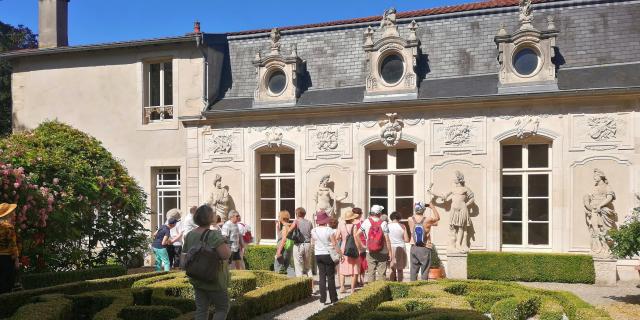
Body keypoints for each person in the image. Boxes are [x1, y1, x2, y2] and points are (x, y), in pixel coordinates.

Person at [182, 205, 231, 320]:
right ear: (209, 217)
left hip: (197, 277)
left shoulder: (189, 234)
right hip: (214, 278)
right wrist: (226, 244)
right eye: (213, 213)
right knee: (222, 308)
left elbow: (183, 257)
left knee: (201, 309)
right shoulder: (214, 235)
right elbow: (226, 255)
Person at [355, 205, 391, 283]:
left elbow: (357, 234)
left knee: (371, 272)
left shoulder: (366, 222)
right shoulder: (384, 223)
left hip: (370, 251)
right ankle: (382, 291)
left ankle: (372, 291)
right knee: (382, 274)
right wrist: (390, 252)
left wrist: (362, 245)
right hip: (383, 251)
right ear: (380, 213)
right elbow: (387, 240)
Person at [408, 201, 440, 281]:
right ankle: (423, 287)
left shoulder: (410, 219)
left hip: (414, 247)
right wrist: (432, 207)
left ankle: (413, 287)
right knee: (425, 269)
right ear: (424, 210)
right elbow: (438, 218)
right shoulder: (428, 220)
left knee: (413, 270)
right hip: (425, 247)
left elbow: (415, 216)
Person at [312, 210, 339, 304]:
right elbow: (334, 243)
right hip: (328, 254)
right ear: (325, 220)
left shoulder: (314, 230)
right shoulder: (329, 230)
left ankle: (322, 299)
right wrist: (340, 253)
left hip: (318, 254)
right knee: (331, 277)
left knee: (321, 277)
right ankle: (333, 298)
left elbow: (313, 243)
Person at [336, 209, 360, 293]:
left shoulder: (341, 226)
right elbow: (356, 238)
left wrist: (342, 238)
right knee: (354, 269)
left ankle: (342, 287)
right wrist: (359, 249)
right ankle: (352, 289)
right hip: (352, 248)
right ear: (352, 218)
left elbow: (336, 237)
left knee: (342, 268)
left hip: (343, 248)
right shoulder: (354, 226)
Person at [287, 207, 313, 277]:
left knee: (299, 267)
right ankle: (312, 286)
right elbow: (311, 234)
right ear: (304, 214)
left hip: (298, 244)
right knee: (308, 267)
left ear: (297, 214)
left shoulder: (296, 221)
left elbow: (289, 231)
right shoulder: (309, 222)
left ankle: (301, 286)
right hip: (307, 244)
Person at [0, 203, 19, 294]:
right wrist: (16, 260)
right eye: (13, 212)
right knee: (7, 284)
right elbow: (13, 245)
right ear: (8, 214)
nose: (14, 214)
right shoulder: (9, 227)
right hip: (7, 259)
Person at [388, 211, 409, 282]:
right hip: (400, 247)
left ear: (391, 218)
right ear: (399, 218)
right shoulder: (402, 226)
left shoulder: (387, 226)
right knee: (400, 269)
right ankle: (400, 285)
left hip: (390, 247)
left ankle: (391, 283)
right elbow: (406, 239)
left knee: (392, 267)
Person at [274, 210, 293, 274]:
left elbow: (284, 239)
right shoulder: (288, 226)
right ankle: (294, 281)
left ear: (282, 218)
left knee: (277, 266)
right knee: (288, 266)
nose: (278, 217)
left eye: (279, 216)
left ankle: (276, 281)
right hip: (287, 248)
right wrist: (277, 226)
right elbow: (279, 235)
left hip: (283, 249)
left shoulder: (285, 227)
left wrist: (279, 251)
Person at [352, 207, 367, 286]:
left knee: (354, 263)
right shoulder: (362, 222)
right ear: (360, 214)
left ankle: (355, 280)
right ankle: (361, 280)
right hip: (361, 242)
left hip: (352, 244)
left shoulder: (350, 222)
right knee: (362, 261)